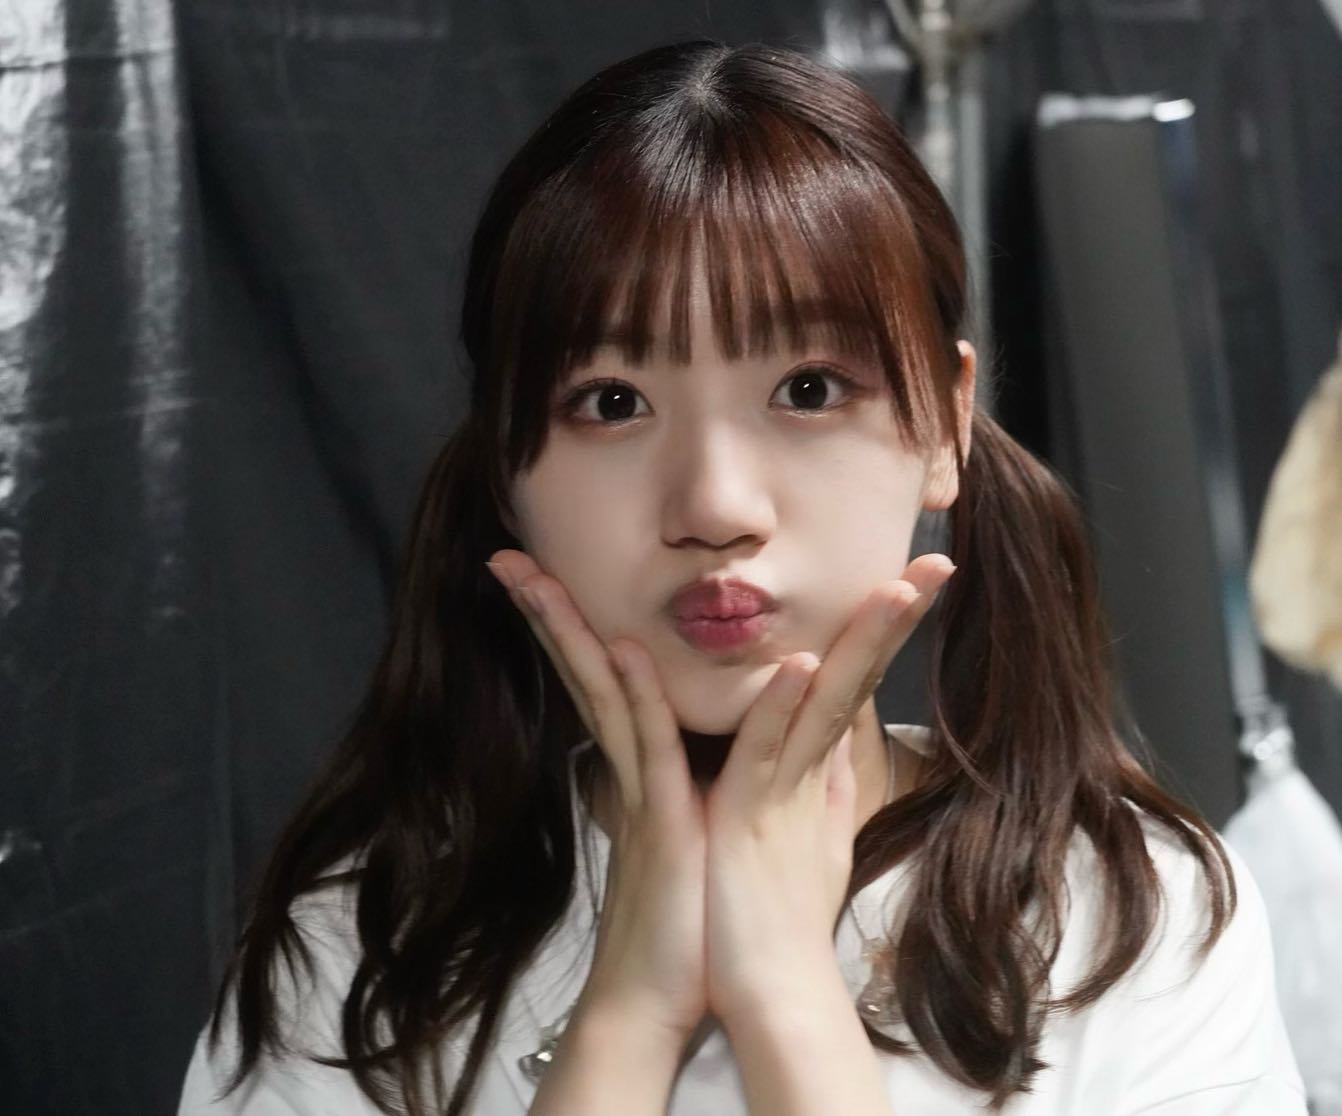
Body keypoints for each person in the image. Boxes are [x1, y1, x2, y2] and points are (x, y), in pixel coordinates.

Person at [176, 39, 1307, 1116]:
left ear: (945, 421)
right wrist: (626, 1015)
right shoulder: (363, 947)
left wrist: (784, 996)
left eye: (809, 389)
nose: (715, 507)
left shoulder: (1130, 916)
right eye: (612, 401)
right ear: (505, 469)